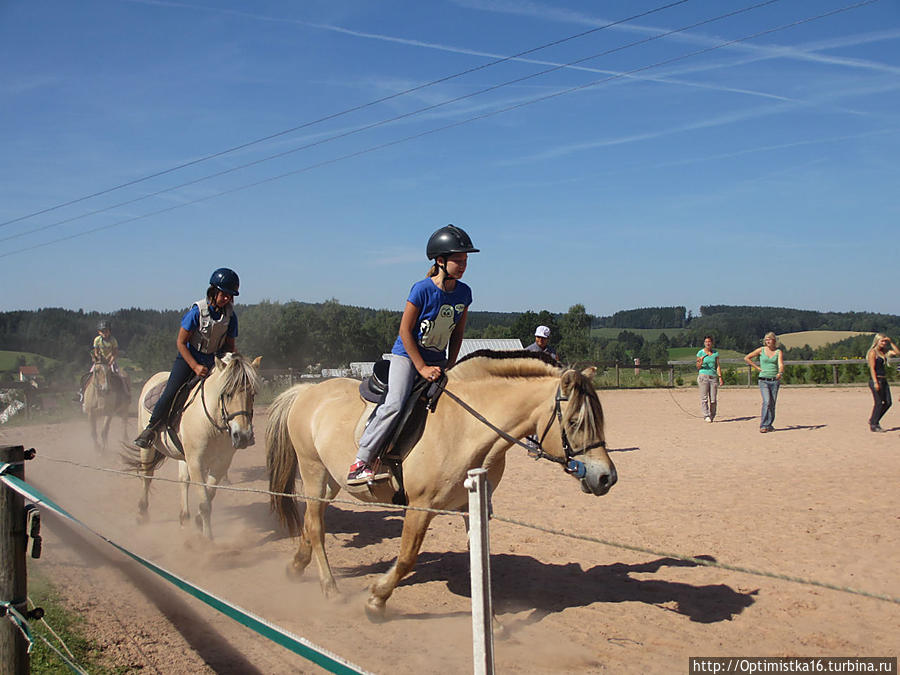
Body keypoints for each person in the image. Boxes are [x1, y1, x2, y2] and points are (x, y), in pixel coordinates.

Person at [347, 224, 478, 484]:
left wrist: (452, 364)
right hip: (408, 357)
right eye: (457, 260)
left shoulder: (464, 293)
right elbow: (405, 332)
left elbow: (457, 333)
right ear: (440, 261)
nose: (463, 265)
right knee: (395, 402)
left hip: (438, 360)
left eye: (465, 260)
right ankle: (361, 460)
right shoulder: (422, 289)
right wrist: (420, 368)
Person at [134, 268, 240, 448]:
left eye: (231, 296)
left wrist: (232, 362)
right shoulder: (197, 312)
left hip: (214, 360)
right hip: (189, 358)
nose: (227, 299)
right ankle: (151, 427)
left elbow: (230, 345)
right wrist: (195, 366)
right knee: (172, 390)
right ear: (213, 291)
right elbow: (181, 343)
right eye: (224, 294)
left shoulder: (231, 316)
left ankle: (237, 430)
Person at [744, 332, 784, 433]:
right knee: (766, 401)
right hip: (763, 380)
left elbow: (781, 364)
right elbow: (747, 358)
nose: (768, 341)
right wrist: (757, 367)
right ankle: (763, 424)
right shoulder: (761, 350)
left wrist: (780, 372)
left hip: (774, 380)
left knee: (772, 403)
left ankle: (769, 424)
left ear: (774, 341)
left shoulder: (778, 352)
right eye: (766, 340)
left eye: (769, 339)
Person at [865, 333, 900, 432]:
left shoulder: (884, 352)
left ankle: (873, 420)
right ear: (877, 341)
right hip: (876, 379)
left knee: (888, 402)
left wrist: (891, 342)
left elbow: (897, 352)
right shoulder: (873, 352)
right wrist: (875, 382)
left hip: (884, 380)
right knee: (879, 403)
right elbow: (872, 368)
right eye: (882, 341)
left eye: (885, 341)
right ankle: (874, 424)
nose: (884, 343)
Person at [696, 335, 723, 423]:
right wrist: (701, 361)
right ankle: (706, 415)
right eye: (706, 342)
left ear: (712, 343)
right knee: (704, 398)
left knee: (713, 399)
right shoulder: (700, 353)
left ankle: (712, 414)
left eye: (709, 342)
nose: (708, 343)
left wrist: (720, 377)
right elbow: (698, 367)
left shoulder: (715, 353)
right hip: (703, 376)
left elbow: (718, 366)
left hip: (713, 377)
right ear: (704, 343)